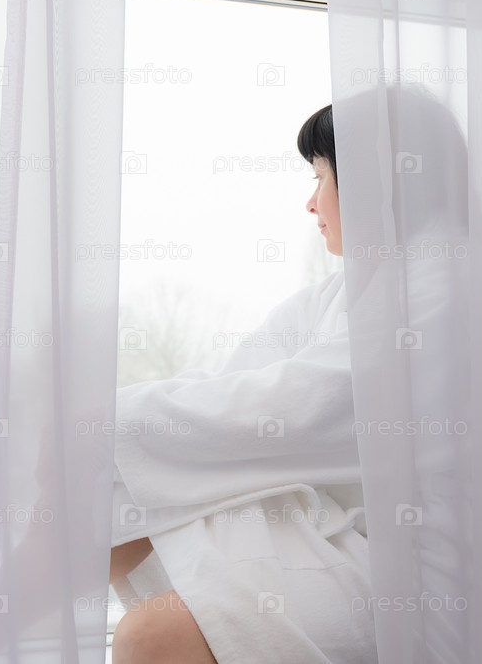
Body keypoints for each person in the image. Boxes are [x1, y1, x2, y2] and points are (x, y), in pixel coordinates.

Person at [108, 104, 377, 664]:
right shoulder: (337, 295)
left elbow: (296, 408)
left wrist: (110, 420)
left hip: (393, 566)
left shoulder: (442, 293)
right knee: (95, 490)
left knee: (147, 636)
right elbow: (238, 382)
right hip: (327, 525)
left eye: (320, 178)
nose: (311, 203)